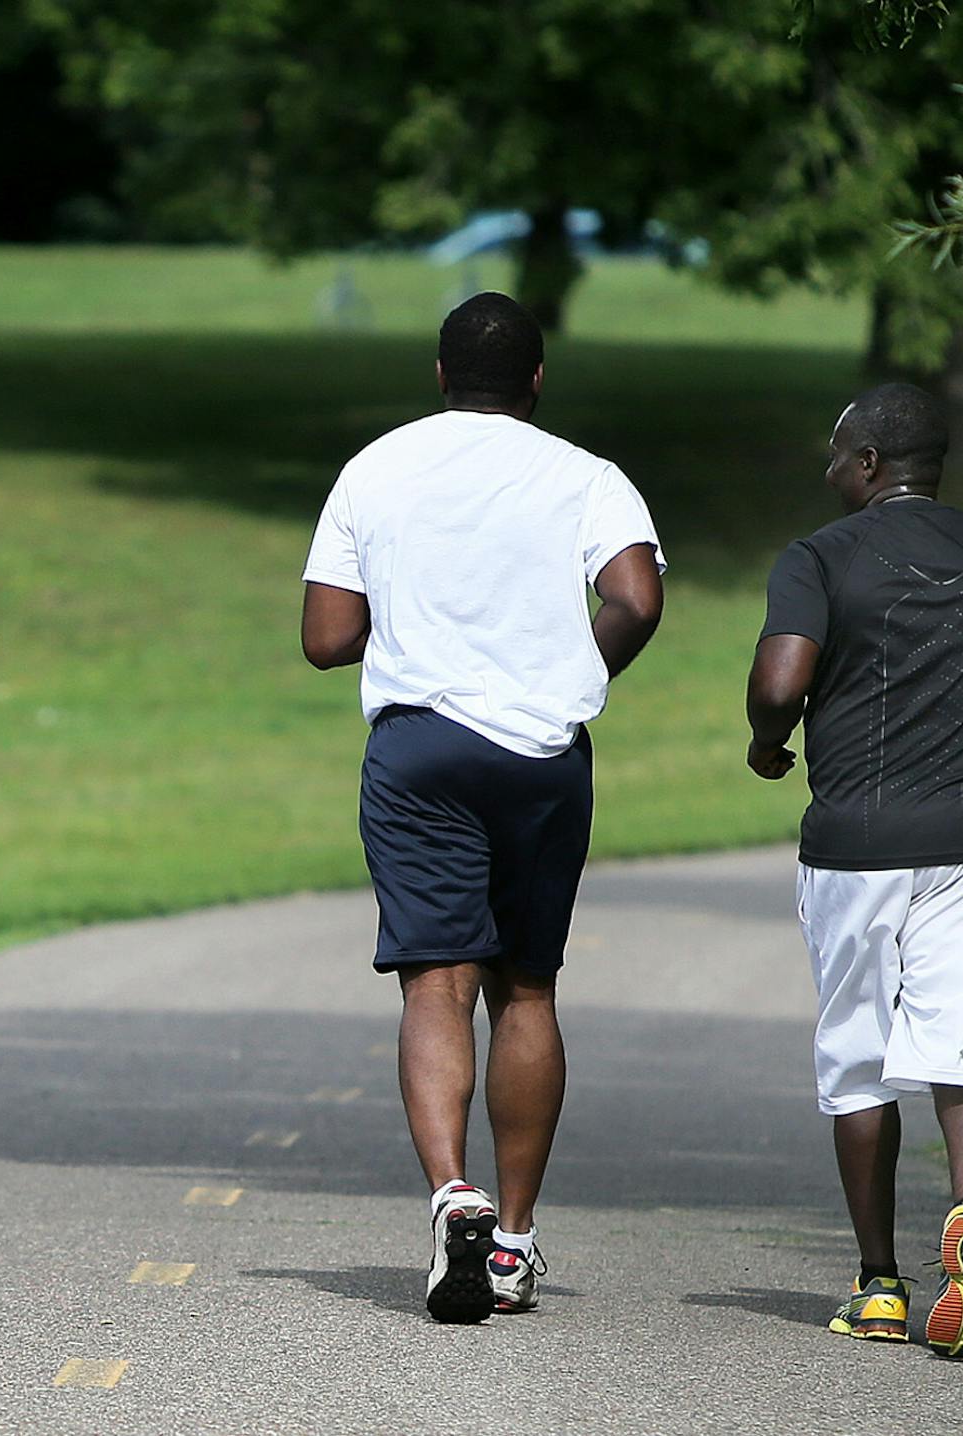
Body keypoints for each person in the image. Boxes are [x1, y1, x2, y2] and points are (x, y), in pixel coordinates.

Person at [301, 291, 665, 1323]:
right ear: (539, 379)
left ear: (439, 374)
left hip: (420, 750)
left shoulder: (375, 468)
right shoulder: (589, 477)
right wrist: (565, 677)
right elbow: (637, 596)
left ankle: (450, 1190)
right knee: (529, 989)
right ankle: (511, 1237)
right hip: (543, 751)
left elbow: (327, 635)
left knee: (435, 982)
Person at [745, 382, 963, 1356]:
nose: (827, 469)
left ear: (866, 465)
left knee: (860, 1053)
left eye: (834, 453)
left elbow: (780, 681)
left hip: (855, 845)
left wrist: (770, 743)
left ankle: (881, 1284)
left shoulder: (820, 555)